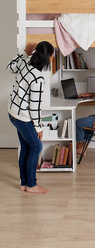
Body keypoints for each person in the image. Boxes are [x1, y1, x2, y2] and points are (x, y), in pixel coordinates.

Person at [7, 41, 54, 194]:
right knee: (36, 147)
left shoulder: (25, 64)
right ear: (48, 58)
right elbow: (34, 106)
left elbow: (10, 67)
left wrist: (24, 53)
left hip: (13, 113)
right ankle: (32, 185)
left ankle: (24, 184)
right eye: (52, 56)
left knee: (26, 147)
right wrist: (39, 127)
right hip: (22, 117)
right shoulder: (38, 78)